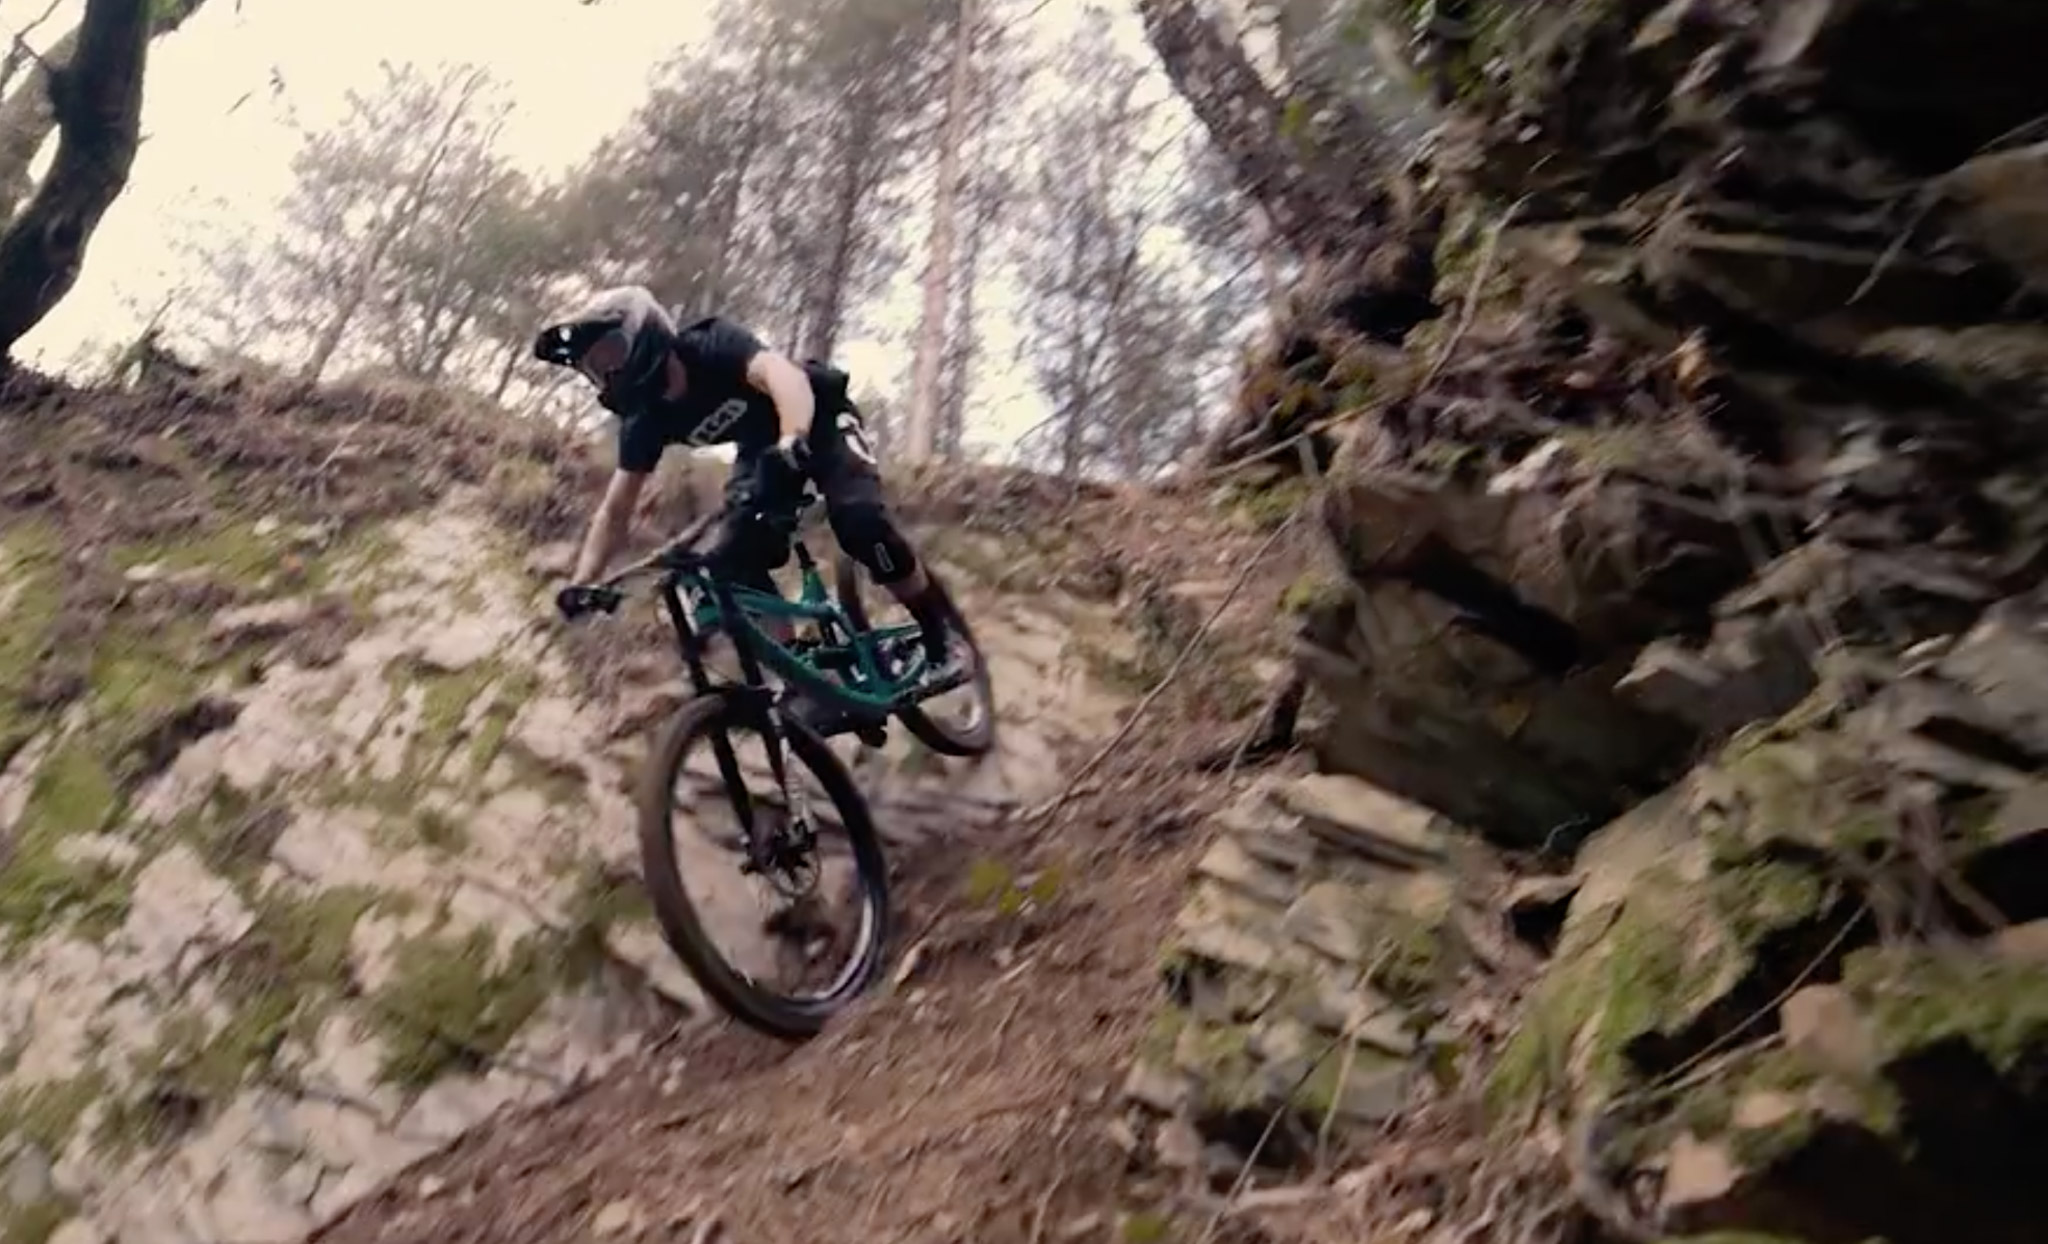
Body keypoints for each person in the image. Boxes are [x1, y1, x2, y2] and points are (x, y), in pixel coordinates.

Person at [532, 285, 961, 700]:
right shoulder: (645, 422)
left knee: (860, 523)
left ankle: (942, 640)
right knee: (730, 560)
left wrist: (794, 439)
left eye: (610, 356)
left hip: (817, 416)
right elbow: (615, 511)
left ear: (644, 334)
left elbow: (782, 376)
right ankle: (801, 674)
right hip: (760, 446)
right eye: (593, 369)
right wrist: (582, 583)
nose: (605, 375)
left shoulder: (708, 343)